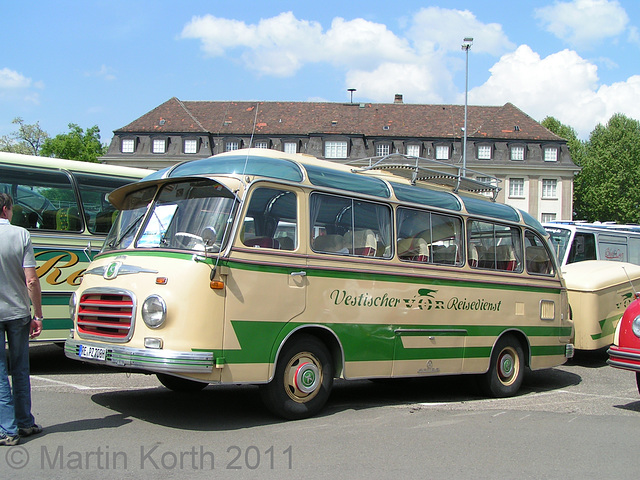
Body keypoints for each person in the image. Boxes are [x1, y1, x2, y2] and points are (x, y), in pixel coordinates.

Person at [0, 193, 43, 446]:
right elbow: (31, 280)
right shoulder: (21, 234)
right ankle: (24, 423)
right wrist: (37, 314)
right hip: (18, 313)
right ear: (6, 209)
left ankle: (7, 429)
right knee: (20, 369)